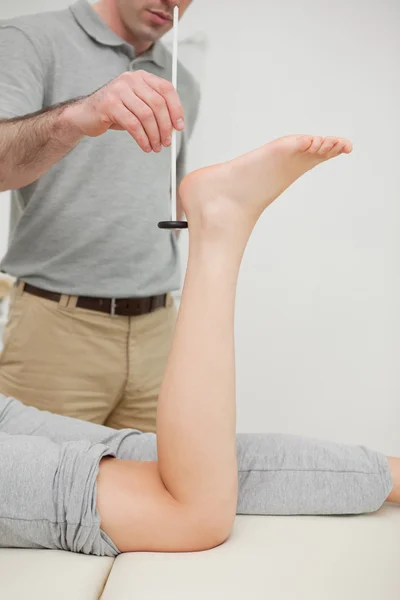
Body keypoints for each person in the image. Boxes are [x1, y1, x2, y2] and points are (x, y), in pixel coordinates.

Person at [0, 134, 398, 556]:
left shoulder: (176, 81)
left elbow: (200, 469)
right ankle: (218, 225)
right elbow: (190, 512)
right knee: (189, 509)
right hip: (58, 317)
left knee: (184, 464)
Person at [0, 0, 197, 432]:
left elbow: (165, 196)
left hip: (159, 333)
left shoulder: (185, 83)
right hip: (56, 334)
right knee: (36, 493)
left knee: (155, 491)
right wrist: (78, 115)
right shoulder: (29, 40)